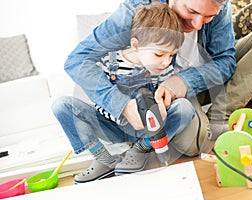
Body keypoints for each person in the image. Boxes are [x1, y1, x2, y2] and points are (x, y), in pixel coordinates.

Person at [52, 0, 252, 182]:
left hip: (195, 80)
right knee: (194, 144)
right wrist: (122, 105)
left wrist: (182, 81)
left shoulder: (221, 5)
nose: (197, 25)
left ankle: (221, 116)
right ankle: (204, 128)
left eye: (208, 16)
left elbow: (225, 61)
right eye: (192, 12)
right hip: (172, 97)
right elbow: (77, 60)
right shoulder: (136, 10)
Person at [52, 2, 194, 183]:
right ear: (136, 45)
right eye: (159, 54)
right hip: (113, 126)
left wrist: (162, 105)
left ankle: (141, 149)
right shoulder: (109, 62)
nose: (166, 62)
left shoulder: (162, 68)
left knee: (184, 108)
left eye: (171, 55)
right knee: (61, 106)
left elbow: (165, 101)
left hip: (146, 130)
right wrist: (120, 110)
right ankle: (104, 159)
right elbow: (99, 101)